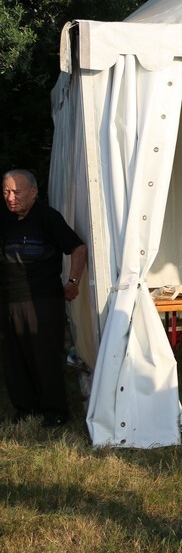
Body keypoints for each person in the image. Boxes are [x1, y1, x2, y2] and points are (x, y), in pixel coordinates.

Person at [1, 169, 87, 428]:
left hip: (42, 299)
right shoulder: (5, 218)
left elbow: (78, 248)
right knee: (14, 357)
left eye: (16, 192)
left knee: (44, 356)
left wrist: (73, 282)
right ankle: (25, 408)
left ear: (33, 192)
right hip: (8, 299)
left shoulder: (48, 217)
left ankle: (55, 411)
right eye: (6, 192)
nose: (11, 197)